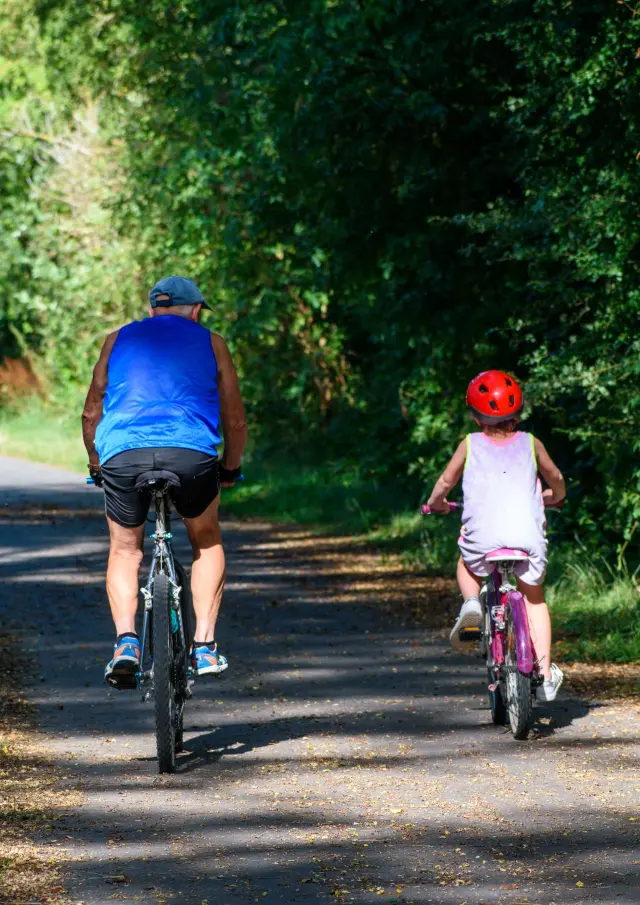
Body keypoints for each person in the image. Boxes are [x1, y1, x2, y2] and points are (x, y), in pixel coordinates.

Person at [81, 275, 247, 689]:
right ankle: (205, 646)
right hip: (190, 454)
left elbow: (90, 412)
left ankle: (126, 644)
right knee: (206, 540)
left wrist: (97, 462)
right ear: (195, 310)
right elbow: (235, 419)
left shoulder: (117, 339)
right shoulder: (212, 342)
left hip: (124, 454)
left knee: (124, 551)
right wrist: (230, 466)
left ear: (152, 308)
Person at [425, 369, 566, 703]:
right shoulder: (532, 443)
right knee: (534, 598)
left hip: (482, 538)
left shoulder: (470, 444)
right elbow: (555, 476)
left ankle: (471, 603)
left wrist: (436, 504)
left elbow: (445, 483)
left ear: (476, 417)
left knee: (467, 565)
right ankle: (544, 675)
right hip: (526, 538)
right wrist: (555, 495)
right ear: (517, 412)